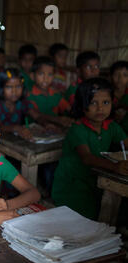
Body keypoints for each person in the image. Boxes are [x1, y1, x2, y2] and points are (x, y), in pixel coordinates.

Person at [52, 78, 128, 220]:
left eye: (106, 102)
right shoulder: (78, 129)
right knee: (87, 218)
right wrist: (115, 166)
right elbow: (86, 157)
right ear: (82, 105)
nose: (100, 109)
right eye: (93, 103)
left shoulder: (111, 126)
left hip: (95, 180)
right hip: (73, 184)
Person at [0, 68, 58, 141]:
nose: (14, 91)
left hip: (15, 142)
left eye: (18, 86)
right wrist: (16, 128)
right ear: (1, 88)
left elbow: (37, 116)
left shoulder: (22, 103)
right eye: (9, 87)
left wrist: (46, 124)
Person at [27, 56, 74, 128]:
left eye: (50, 74)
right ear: (32, 76)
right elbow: (37, 115)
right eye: (41, 74)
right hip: (33, 132)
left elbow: (69, 109)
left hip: (54, 131)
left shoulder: (56, 94)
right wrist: (58, 119)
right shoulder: (29, 95)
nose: (46, 78)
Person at [109, 61, 128, 128]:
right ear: (110, 77)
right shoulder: (106, 94)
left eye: (125, 75)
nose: (120, 78)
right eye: (116, 74)